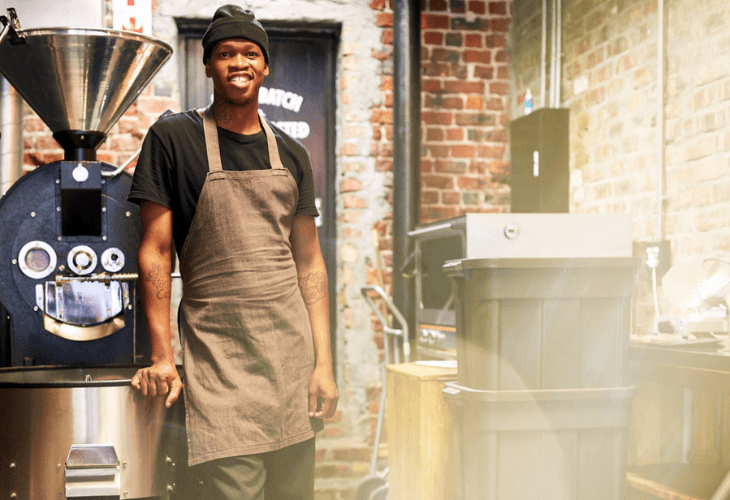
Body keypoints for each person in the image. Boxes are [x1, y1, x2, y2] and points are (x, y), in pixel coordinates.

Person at [127, 5, 338, 499]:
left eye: (249, 53)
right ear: (208, 65)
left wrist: (323, 365)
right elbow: (156, 253)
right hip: (217, 363)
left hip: (288, 362)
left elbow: (309, 262)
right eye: (225, 53)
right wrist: (163, 357)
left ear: (265, 66)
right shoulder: (173, 139)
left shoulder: (291, 153)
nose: (238, 63)